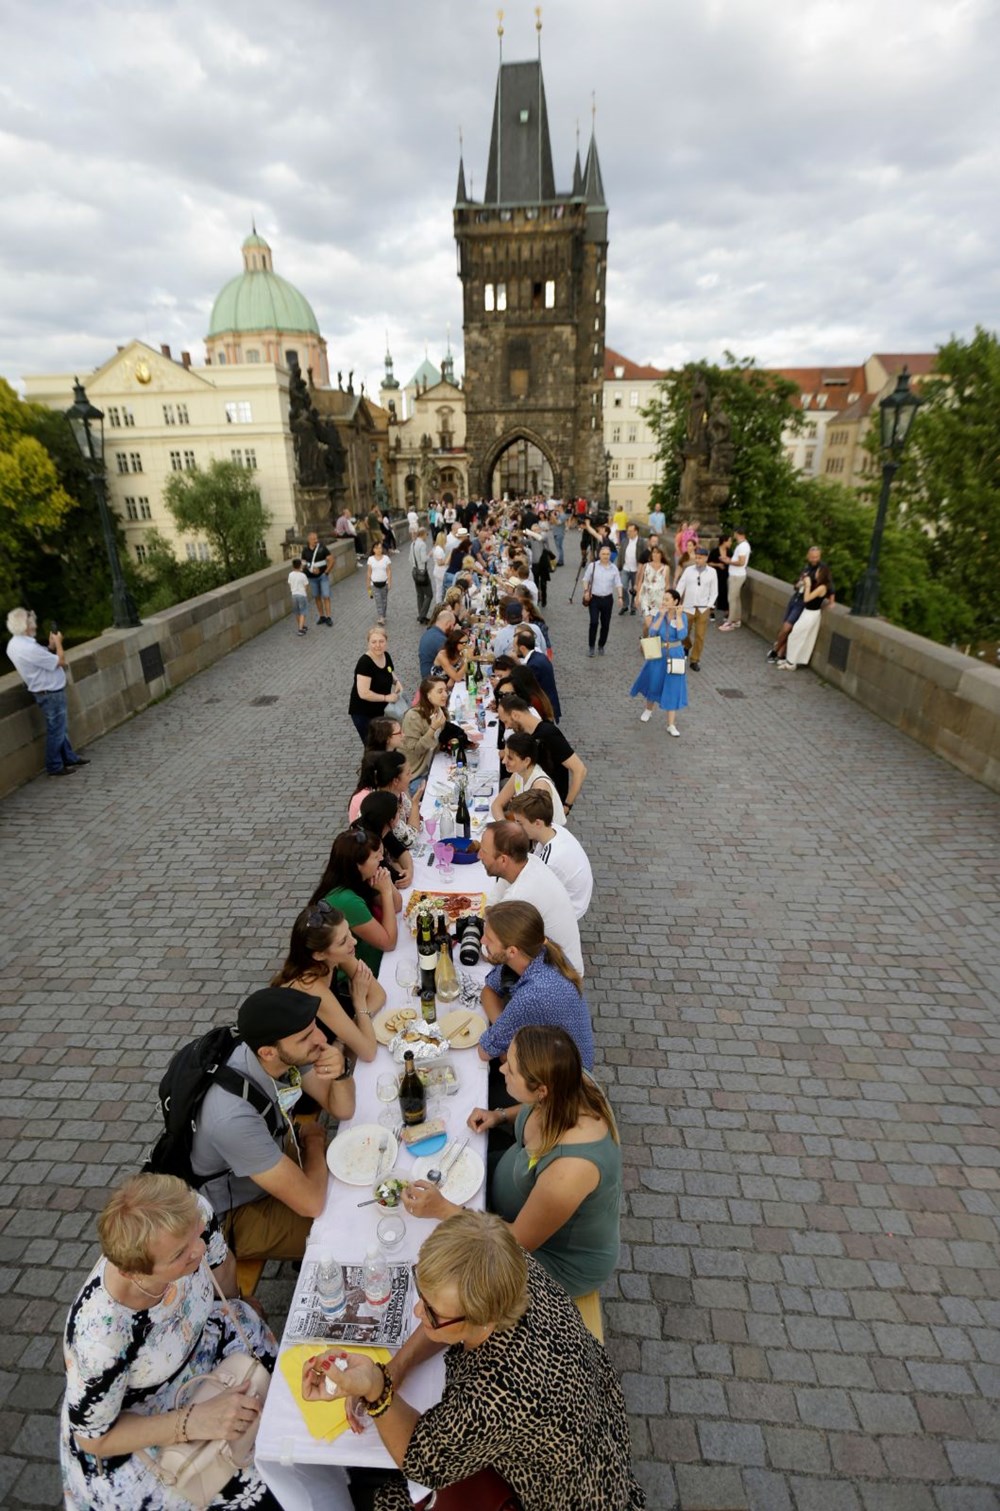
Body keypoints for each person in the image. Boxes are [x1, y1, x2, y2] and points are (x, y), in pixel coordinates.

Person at [302, 1211, 645, 1511]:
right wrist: (395, 1368)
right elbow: (446, 1317)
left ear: (483, 1319)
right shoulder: (503, 1263)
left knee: (392, 1499)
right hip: (592, 1414)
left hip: (568, 1496)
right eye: (422, 1294)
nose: (418, 1311)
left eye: (432, 1312)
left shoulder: (497, 1392)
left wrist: (377, 1390)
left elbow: (422, 1460)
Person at [61, 1173, 278, 1511]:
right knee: (268, 1492)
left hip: (214, 1351)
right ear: (135, 1273)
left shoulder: (190, 1215)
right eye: (181, 1255)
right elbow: (94, 1438)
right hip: (150, 1427)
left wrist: (238, 1303)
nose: (200, 1248)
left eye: (196, 1236)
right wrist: (194, 1421)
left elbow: (222, 1269)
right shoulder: (100, 1338)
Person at [406, 1028, 618, 1297]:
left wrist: (444, 1209)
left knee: (454, 1283)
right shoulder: (568, 1081)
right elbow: (536, 1106)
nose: (502, 1068)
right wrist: (500, 1115)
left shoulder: (571, 1169)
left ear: (541, 1089)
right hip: (509, 1203)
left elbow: (518, 1241)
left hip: (550, 1258)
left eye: (512, 1069)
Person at [191, 987, 353, 1258]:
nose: (321, 1038)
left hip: (269, 1153)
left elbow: (342, 1109)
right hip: (234, 1212)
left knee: (355, 1187)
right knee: (342, 1228)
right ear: (268, 1053)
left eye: (315, 1028)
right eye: (306, 1037)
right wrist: (314, 1143)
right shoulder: (232, 1118)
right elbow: (311, 1204)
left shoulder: (282, 1049)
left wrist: (342, 1072)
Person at [472, 902, 593, 1067]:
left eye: (489, 939)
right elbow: (488, 990)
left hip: (564, 1083)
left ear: (512, 951)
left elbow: (484, 1052)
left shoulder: (533, 995)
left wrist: (504, 1039)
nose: (482, 940)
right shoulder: (537, 950)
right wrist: (504, 1030)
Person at [273, 901, 384, 1066]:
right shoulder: (310, 986)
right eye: (343, 941)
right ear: (319, 955)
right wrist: (359, 1002)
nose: (353, 942)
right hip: (309, 1060)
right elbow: (368, 1051)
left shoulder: (334, 956)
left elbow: (379, 994)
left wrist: (347, 1033)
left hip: (334, 1036)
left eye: (349, 932)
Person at [477, 823, 583, 976]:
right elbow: (493, 900)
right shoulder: (528, 861)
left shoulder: (520, 896)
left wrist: (488, 923)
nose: (479, 855)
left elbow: (491, 951)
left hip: (559, 977)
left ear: (503, 860)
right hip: (558, 963)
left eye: (484, 851)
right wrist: (491, 918)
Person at [5, 607, 89, 778]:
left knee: (60, 727)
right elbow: (61, 661)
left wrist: (50, 646)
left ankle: (69, 757)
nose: (34, 623)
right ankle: (54, 765)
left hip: (43, 691)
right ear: (26, 625)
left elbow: (41, 657)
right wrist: (58, 643)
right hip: (50, 692)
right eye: (31, 620)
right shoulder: (28, 648)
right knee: (57, 730)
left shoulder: (15, 644)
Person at [309, 827, 400, 976]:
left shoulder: (357, 878)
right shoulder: (347, 901)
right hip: (357, 972)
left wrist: (387, 883)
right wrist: (386, 891)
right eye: (376, 857)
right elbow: (389, 943)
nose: (381, 859)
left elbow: (396, 906)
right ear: (358, 864)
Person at [506, 786, 593, 919]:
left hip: (568, 911)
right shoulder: (553, 829)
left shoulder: (551, 860)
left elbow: (533, 896)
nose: (517, 827)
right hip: (572, 897)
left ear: (538, 823)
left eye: (520, 823)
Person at [497, 695, 587, 816]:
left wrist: (566, 805)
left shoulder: (549, 734)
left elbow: (580, 769)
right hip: (529, 798)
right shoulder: (526, 734)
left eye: (506, 721)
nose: (507, 726)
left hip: (545, 807)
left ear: (515, 715)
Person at [630, 587, 688, 736]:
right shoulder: (658, 614)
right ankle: (648, 710)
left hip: (675, 654)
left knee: (673, 686)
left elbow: (682, 635)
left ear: (675, 601)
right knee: (654, 681)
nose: (664, 602)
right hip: (659, 653)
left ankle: (671, 724)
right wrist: (661, 616)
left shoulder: (682, 616)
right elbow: (652, 632)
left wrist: (679, 617)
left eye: (667, 599)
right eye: (663, 599)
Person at [766, 545, 828, 663]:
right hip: (795, 598)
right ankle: (780, 652)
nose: (814, 559)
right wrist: (798, 584)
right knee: (786, 627)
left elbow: (827, 586)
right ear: (808, 557)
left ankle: (775, 650)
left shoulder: (822, 569)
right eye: (812, 557)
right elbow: (796, 584)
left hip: (804, 603)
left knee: (787, 627)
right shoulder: (806, 568)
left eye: (817, 557)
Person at [491, 732, 566, 825]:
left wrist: (506, 829)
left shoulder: (539, 785)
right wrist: (502, 824)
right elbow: (496, 804)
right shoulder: (518, 773)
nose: (503, 761)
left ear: (526, 761)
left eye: (510, 758)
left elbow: (532, 826)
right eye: (505, 755)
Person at [349, 626, 402, 743]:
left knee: (382, 742)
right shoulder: (365, 663)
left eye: (381, 641)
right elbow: (363, 693)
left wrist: (396, 681)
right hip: (363, 713)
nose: (378, 645)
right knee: (372, 746)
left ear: (386, 642)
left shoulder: (385, 655)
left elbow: (389, 671)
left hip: (379, 710)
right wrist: (386, 698)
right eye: (374, 642)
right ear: (368, 643)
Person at [778, 564, 832, 669]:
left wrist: (807, 585)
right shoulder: (817, 584)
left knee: (797, 634)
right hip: (807, 612)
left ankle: (791, 662)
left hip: (812, 614)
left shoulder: (822, 587)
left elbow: (807, 599)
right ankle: (791, 659)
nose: (815, 573)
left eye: (817, 572)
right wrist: (802, 583)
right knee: (796, 634)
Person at [675, 542, 718, 671]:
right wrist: (677, 600)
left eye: (700, 558)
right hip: (688, 606)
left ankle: (695, 659)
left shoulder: (712, 572)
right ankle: (687, 646)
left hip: (703, 608)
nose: (697, 560)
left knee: (700, 635)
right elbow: (681, 585)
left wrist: (709, 606)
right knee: (684, 633)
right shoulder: (689, 570)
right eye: (696, 557)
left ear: (706, 558)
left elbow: (714, 591)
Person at [400, 676, 451, 783]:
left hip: (433, 762)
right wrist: (433, 729)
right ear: (428, 695)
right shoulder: (413, 717)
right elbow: (415, 750)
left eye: (446, 690)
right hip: (417, 774)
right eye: (440, 691)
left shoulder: (440, 710)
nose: (445, 695)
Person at [582, 544, 624, 656]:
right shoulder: (593, 566)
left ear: (610, 555)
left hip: (607, 599)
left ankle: (601, 645)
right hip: (594, 599)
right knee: (594, 622)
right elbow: (585, 579)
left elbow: (618, 584)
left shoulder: (614, 568)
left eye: (607, 554)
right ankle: (591, 646)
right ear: (599, 555)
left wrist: (620, 597)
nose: (605, 556)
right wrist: (586, 591)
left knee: (605, 624)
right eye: (603, 554)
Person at [514, 627, 561, 719]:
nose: (514, 650)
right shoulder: (538, 657)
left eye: (515, 647)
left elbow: (526, 689)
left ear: (522, 648)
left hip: (544, 709)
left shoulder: (533, 665)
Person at [719, 526, 750, 630]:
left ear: (737, 533)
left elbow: (741, 562)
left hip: (737, 575)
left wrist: (729, 562)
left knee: (731, 599)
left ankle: (730, 621)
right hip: (737, 575)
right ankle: (736, 620)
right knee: (736, 599)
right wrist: (729, 559)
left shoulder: (742, 546)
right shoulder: (743, 545)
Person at [635, 543, 670, 631]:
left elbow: (667, 584)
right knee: (649, 623)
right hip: (646, 598)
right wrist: (637, 596)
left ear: (662, 554)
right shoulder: (645, 566)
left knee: (654, 625)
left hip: (659, 599)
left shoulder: (666, 568)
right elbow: (640, 581)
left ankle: (645, 643)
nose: (655, 554)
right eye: (654, 552)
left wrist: (668, 600)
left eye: (658, 553)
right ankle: (649, 643)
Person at [302, 531, 333, 625]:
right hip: (312, 578)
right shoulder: (305, 551)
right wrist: (310, 571)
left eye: (316, 538)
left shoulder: (322, 548)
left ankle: (328, 617)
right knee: (317, 597)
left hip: (323, 576)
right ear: (309, 540)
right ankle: (321, 616)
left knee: (326, 596)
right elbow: (303, 565)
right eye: (314, 539)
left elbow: (331, 560)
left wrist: (326, 572)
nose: (316, 540)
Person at [418, 604, 456, 678]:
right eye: (452, 625)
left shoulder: (431, 632)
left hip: (428, 676)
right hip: (433, 680)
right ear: (448, 624)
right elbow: (453, 661)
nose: (453, 628)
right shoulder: (440, 639)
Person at [409, 527, 434, 623]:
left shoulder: (413, 543)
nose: (427, 537)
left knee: (420, 595)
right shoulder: (422, 544)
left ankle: (421, 615)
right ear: (423, 534)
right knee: (429, 595)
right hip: (422, 572)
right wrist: (430, 554)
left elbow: (410, 559)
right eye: (426, 534)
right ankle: (422, 616)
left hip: (415, 571)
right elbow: (424, 559)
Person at [618, 523, 642, 615]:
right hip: (625, 568)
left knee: (635, 589)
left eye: (631, 531)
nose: (628, 533)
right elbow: (620, 554)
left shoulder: (641, 542)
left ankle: (633, 607)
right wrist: (619, 566)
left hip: (636, 569)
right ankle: (625, 605)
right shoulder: (624, 541)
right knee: (623, 587)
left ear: (636, 532)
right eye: (628, 531)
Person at [366, 539, 392, 623]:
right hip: (374, 584)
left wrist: (389, 582)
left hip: (384, 583)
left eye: (380, 548)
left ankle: (383, 615)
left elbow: (389, 571)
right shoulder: (370, 559)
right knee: (378, 600)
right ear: (373, 549)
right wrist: (368, 584)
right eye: (376, 548)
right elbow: (369, 572)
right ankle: (381, 617)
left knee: (384, 600)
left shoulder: (386, 558)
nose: (378, 550)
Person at [707, 534, 730, 621]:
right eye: (729, 541)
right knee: (713, 593)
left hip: (725, 575)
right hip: (715, 575)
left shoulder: (729, 551)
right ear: (724, 541)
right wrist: (718, 564)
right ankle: (711, 612)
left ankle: (726, 613)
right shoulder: (715, 551)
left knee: (725, 593)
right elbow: (709, 563)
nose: (730, 543)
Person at [287, 557, 309, 637]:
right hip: (301, 594)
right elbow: (306, 585)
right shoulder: (303, 575)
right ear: (300, 566)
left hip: (294, 594)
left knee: (297, 611)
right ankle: (300, 629)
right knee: (303, 611)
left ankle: (301, 626)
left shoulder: (290, 574)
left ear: (293, 566)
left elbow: (289, 584)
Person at [431, 531, 448, 602]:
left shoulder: (437, 548)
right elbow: (440, 563)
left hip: (438, 571)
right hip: (440, 572)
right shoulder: (439, 550)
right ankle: (439, 604)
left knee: (439, 590)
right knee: (440, 590)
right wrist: (448, 560)